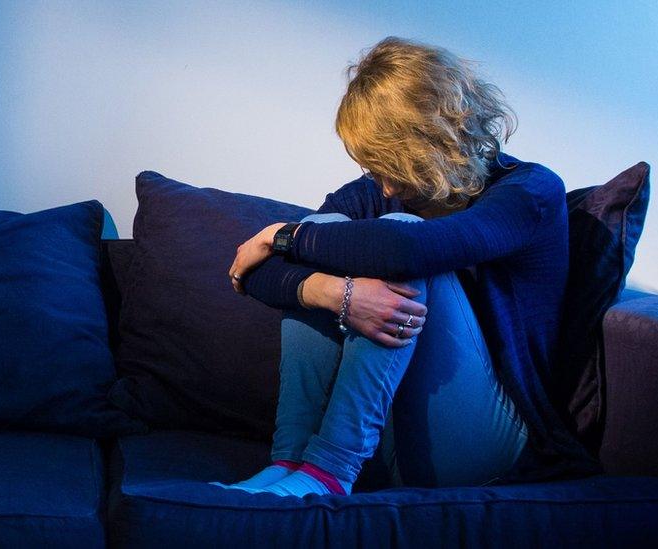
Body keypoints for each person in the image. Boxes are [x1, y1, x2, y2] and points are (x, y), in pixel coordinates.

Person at [212, 36, 600, 498]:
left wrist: (285, 234)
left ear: (441, 142)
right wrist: (334, 294)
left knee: (393, 230)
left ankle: (328, 473)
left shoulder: (530, 192)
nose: (388, 187)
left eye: (397, 166)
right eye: (377, 170)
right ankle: (291, 463)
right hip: (394, 438)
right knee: (328, 227)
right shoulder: (379, 190)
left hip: (496, 442)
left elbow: (408, 250)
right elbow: (256, 274)